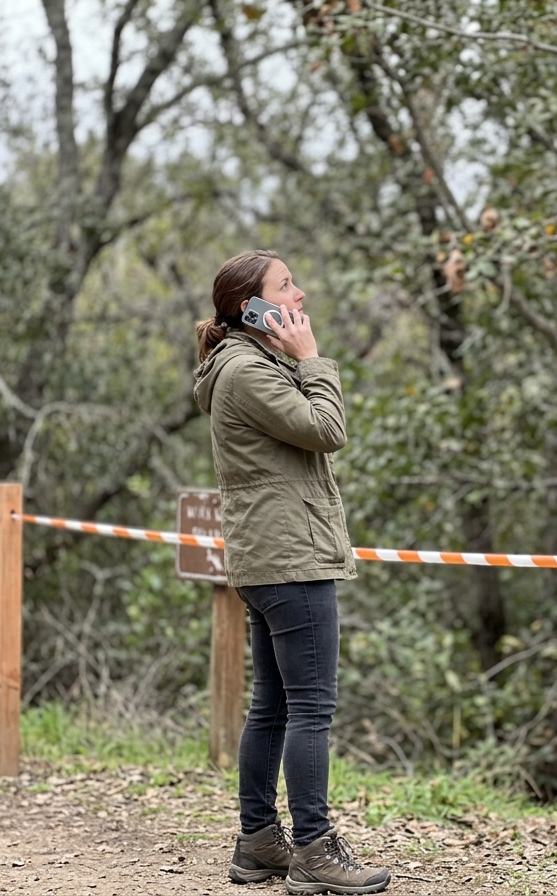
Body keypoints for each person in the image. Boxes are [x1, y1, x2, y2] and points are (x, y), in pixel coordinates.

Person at [193, 249, 390, 895]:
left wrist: (297, 362)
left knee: (273, 706)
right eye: (286, 286)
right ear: (250, 307)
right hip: (290, 559)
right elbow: (327, 429)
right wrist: (312, 360)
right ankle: (312, 848)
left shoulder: (243, 364)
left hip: (272, 555)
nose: (300, 295)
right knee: (310, 708)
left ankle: (258, 844)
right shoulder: (249, 371)